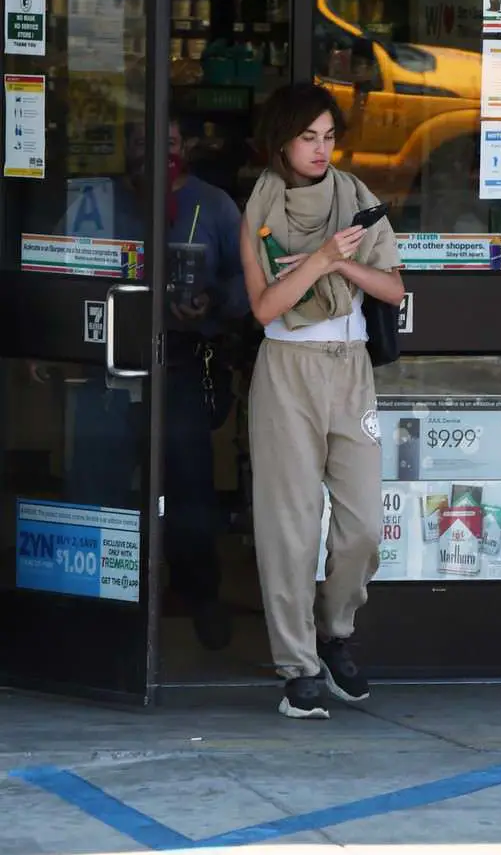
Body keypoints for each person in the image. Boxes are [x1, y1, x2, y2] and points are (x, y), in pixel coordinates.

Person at [36, 117, 249, 650]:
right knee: (96, 491)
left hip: (179, 368)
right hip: (105, 371)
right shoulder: (96, 201)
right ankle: (92, 610)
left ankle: (202, 599)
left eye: (169, 143)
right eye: (141, 141)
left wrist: (213, 303)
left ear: (187, 147)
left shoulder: (215, 206)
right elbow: (52, 268)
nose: (155, 153)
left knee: (190, 499)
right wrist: (47, 336)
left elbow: (251, 280)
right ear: (124, 147)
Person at [240, 82, 405, 719]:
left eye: (329, 136)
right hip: (287, 363)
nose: (320, 149)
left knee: (363, 522)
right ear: (281, 140)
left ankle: (335, 632)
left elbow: (393, 289)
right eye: (308, 137)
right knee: (288, 525)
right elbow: (264, 307)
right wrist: (320, 260)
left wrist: (338, 265)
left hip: (351, 364)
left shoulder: (359, 198)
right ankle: (297, 667)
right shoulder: (256, 207)